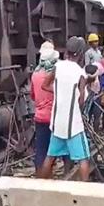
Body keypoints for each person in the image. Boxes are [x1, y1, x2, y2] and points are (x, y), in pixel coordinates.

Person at [40, 36, 91, 181]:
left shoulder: (58, 66)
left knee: (50, 158)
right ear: (81, 53)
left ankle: (40, 186)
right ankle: (84, 193)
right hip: (73, 125)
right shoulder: (80, 73)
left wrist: (58, 91)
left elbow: (45, 85)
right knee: (83, 159)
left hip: (57, 124)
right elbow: (81, 101)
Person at [31, 41, 72, 176]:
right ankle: (68, 176)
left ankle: (41, 179)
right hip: (56, 117)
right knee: (65, 149)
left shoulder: (35, 75)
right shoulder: (57, 75)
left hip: (40, 117)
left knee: (41, 150)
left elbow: (33, 96)